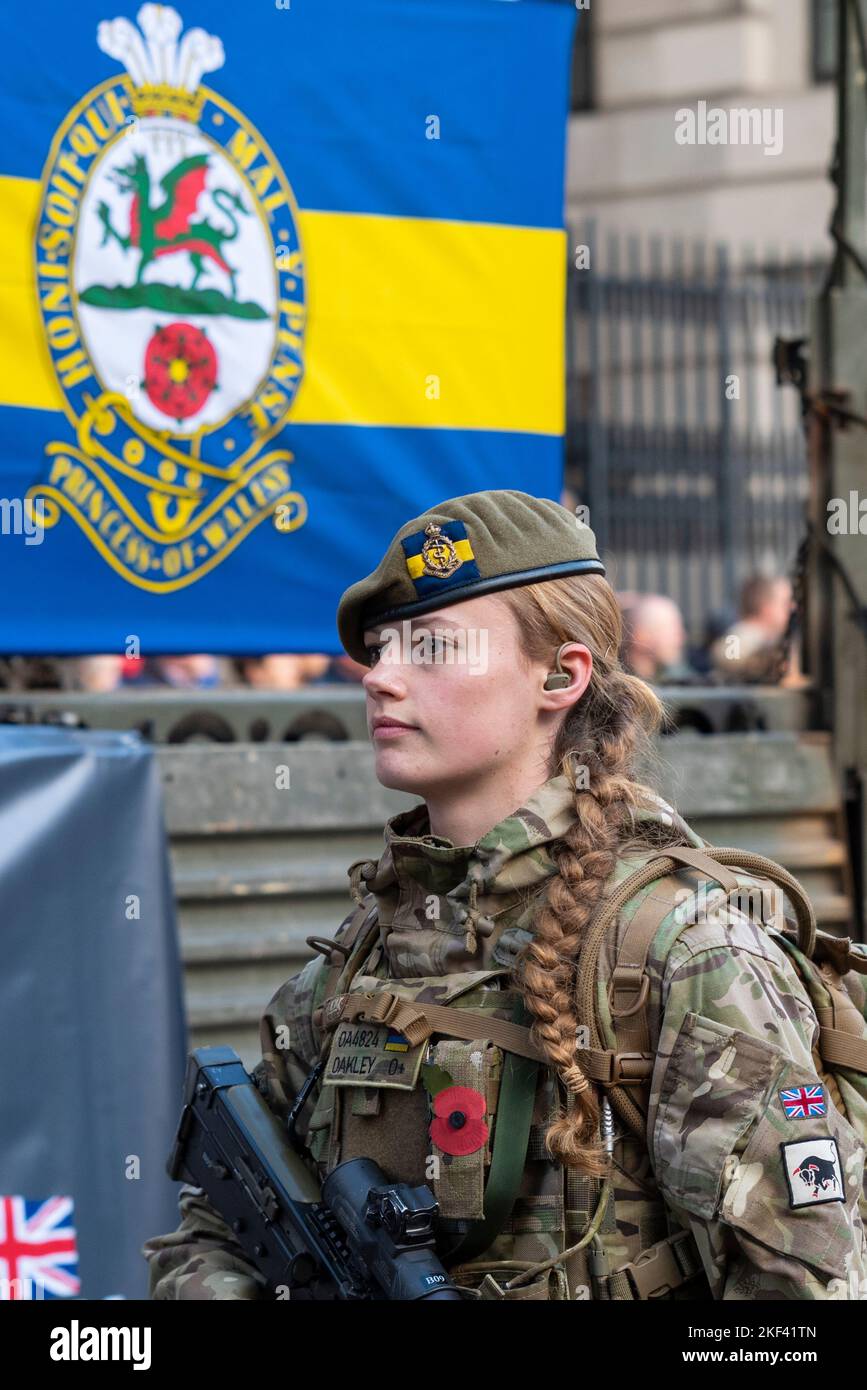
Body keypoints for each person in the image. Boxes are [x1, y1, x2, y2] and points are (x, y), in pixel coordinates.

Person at [142, 490, 867, 1300]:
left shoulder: (679, 948)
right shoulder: (366, 951)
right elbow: (210, 1228)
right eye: (380, 650)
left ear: (560, 675)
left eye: (432, 649)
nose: (379, 677)